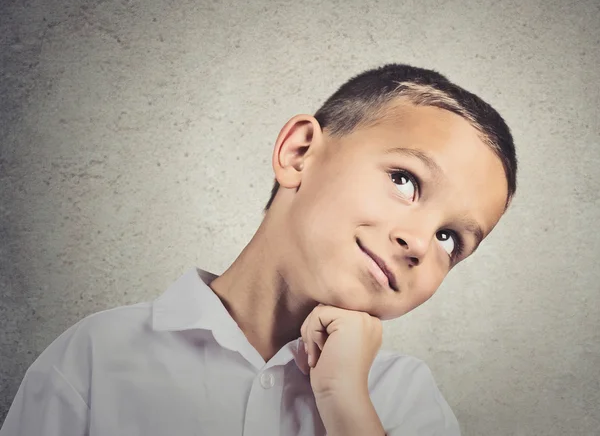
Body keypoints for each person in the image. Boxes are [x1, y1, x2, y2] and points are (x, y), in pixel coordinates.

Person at [0, 63, 517, 436]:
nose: (420, 242)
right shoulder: (98, 357)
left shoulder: (403, 398)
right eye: (405, 180)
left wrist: (344, 401)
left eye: (451, 238)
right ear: (298, 153)